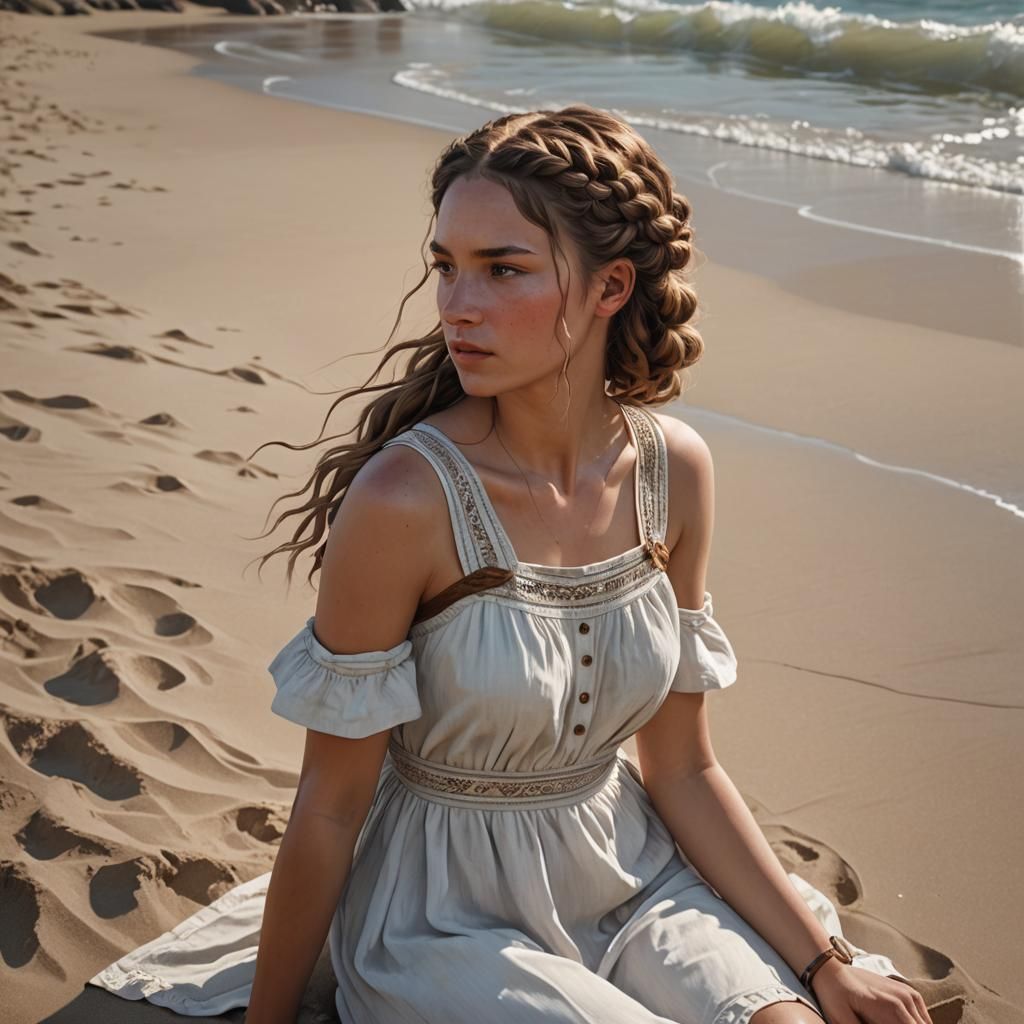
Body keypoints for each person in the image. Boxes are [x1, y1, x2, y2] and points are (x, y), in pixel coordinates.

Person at [90, 105, 925, 1024]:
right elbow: (330, 805)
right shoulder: (404, 501)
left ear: (611, 287)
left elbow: (682, 769)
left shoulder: (673, 473)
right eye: (446, 267)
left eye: (502, 269)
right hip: (442, 918)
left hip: (631, 872)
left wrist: (825, 963)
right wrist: (272, 1019)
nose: (457, 305)